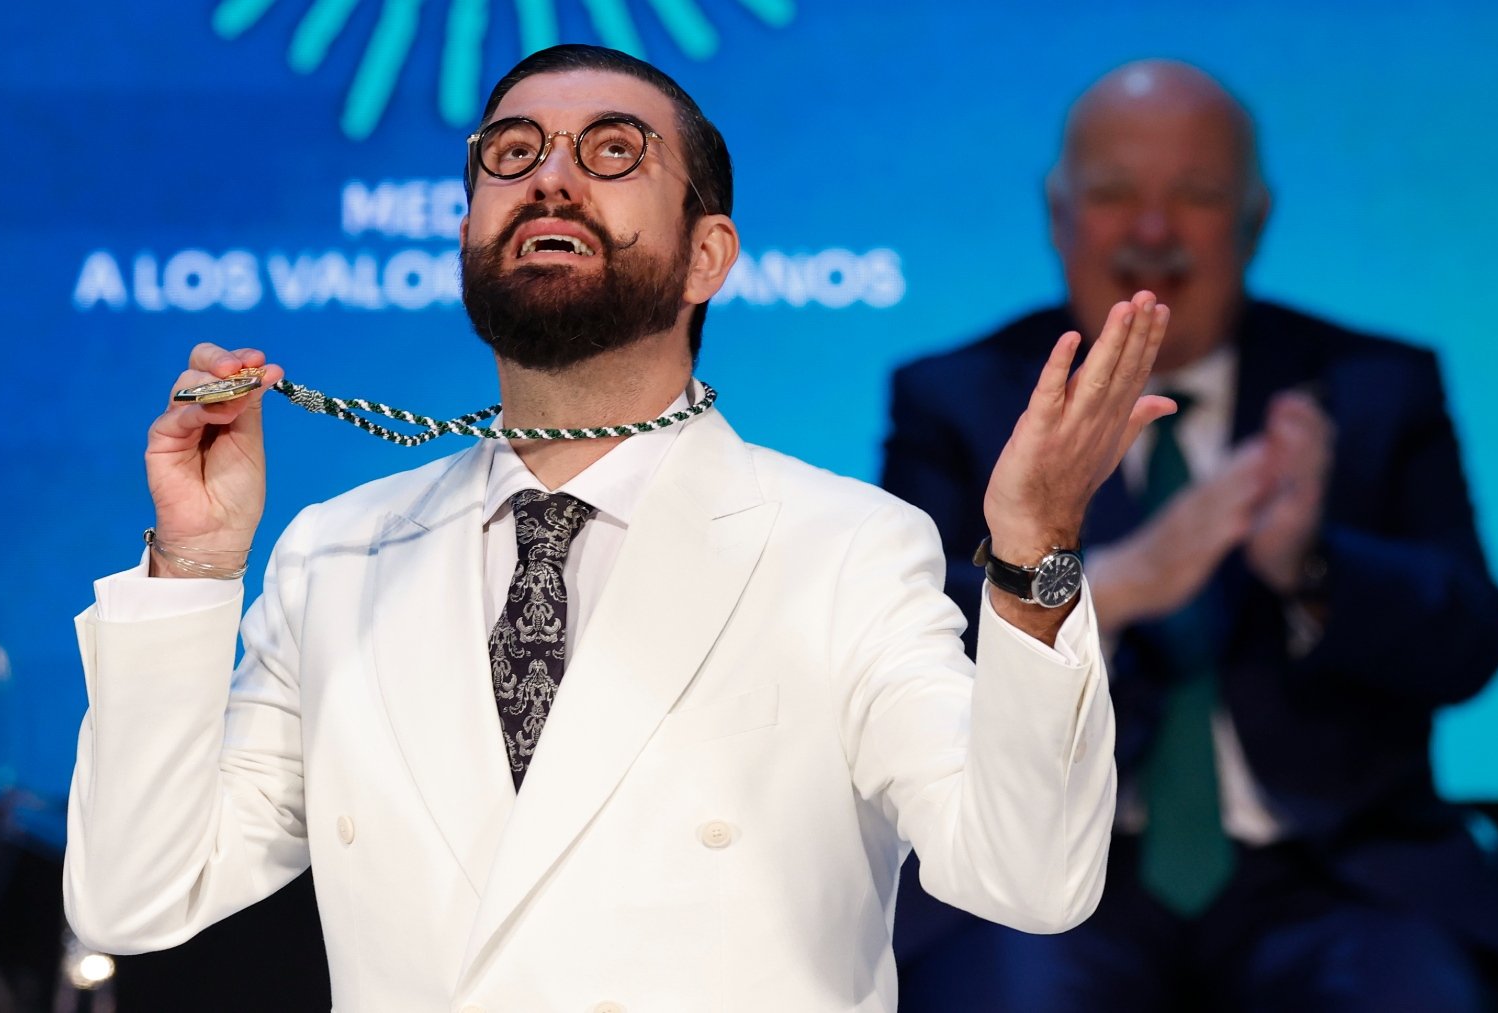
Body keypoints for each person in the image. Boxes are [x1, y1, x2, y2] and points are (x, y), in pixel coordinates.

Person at [64, 45, 1170, 1011]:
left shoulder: (844, 546)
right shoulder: (337, 553)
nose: (548, 175)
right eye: (511, 153)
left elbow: (1028, 876)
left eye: (610, 153)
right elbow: (136, 892)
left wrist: (1034, 554)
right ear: (467, 234)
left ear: (707, 256)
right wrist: (195, 566)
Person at [883, 59, 1498, 1012]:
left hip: (1335, 876)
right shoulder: (959, 397)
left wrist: (1308, 563)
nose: (1151, 231)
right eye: (1113, 195)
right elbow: (910, 664)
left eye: (1196, 196)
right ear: (1058, 214)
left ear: (1255, 219)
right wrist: (1113, 582)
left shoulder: (1376, 386)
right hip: (1052, 876)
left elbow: (1472, 641)